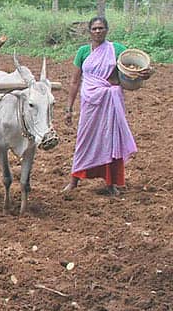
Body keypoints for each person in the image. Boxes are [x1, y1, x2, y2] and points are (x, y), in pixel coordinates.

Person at [62, 17, 151, 196]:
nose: (97, 31)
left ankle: (111, 183)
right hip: (90, 102)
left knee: (111, 140)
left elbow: (130, 72)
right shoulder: (83, 52)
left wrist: (146, 74)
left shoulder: (116, 49)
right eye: (94, 29)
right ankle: (74, 180)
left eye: (101, 28)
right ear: (89, 31)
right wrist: (69, 109)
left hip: (111, 101)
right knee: (84, 139)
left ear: (107, 30)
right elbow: (74, 81)